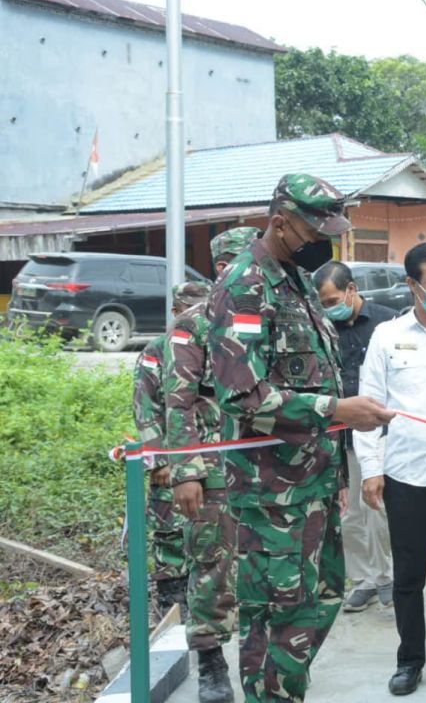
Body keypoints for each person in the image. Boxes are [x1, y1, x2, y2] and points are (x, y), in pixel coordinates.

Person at [207, 173, 394, 703]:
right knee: (278, 618)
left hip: (312, 483)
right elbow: (242, 395)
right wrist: (337, 410)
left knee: (323, 598)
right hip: (271, 494)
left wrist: (335, 464)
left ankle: (286, 690)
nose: (321, 241)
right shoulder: (245, 286)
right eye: (314, 230)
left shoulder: (295, 281)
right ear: (279, 222)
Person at [354, 242, 426, 695]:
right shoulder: (387, 336)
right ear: (413, 286)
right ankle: (409, 660)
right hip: (406, 475)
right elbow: (369, 408)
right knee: (407, 576)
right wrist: (371, 468)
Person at [161, 276, 236, 703]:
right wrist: (181, 470)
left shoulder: (255, 319)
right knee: (210, 567)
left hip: (257, 470)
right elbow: (168, 405)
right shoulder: (188, 330)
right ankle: (212, 664)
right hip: (206, 471)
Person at [313, 260, 399, 614]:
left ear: (351, 289)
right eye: (324, 303)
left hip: (382, 432)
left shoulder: (387, 322)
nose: (330, 308)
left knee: (377, 507)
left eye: (334, 300)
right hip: (340, 432)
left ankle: (388, 575)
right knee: (348, 513)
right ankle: (363, 579)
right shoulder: (324, 329)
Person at [135, 285, 211, 620]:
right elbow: (146, 408)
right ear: (175, 310)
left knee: (211, 533)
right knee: (169, 531)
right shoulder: (156, 350)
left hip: (212, 455)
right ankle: (171, 603)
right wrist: (160, 459)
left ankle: (207, 603)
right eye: (186, 308)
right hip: (171, 457)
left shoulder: (213, 346)